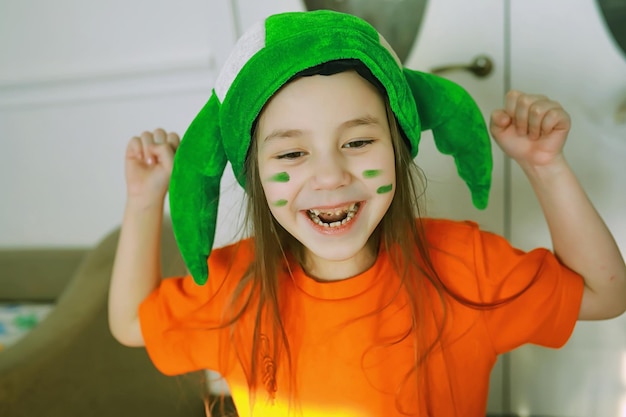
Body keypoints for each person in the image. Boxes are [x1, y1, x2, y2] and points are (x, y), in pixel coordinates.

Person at [108, 10, 626, 417]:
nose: (331, 176)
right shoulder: (236, 288)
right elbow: (132, 323)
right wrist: (144, 199)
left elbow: (606, 293)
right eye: (291, 153)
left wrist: (546, 167)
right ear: (255, 175)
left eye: (357, 141)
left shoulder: (464, 266)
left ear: (398, 148)